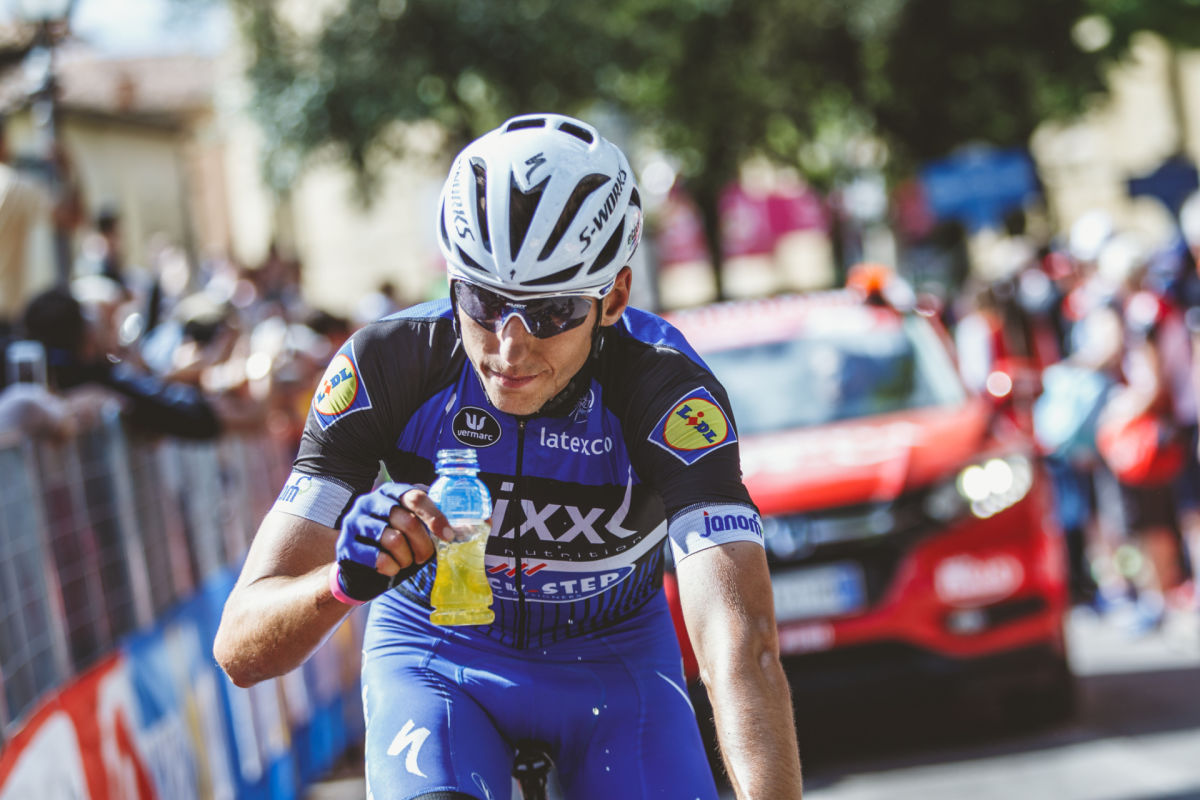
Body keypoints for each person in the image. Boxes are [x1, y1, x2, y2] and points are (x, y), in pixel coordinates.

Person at [213, 114, 803, 800]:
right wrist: (342, 582)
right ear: (451, 280)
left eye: (551, 312)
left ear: (613, 296)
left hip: (615, 665)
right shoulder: (388, 366)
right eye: (483, 301)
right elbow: (240, 648)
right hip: (437, 658)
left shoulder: (666, 391)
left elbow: (740, 646)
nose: (509, 346)